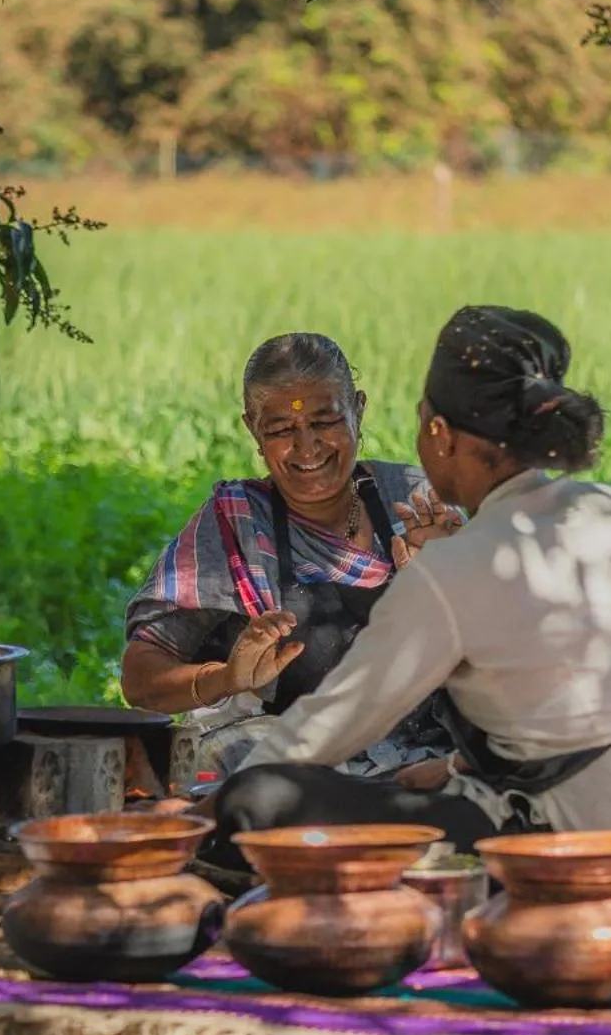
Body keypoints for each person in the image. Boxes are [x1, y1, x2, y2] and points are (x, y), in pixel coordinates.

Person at [211, 305, 611, 916]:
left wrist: (211, 809)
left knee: (263, 795)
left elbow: (328, 727)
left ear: (440, 433)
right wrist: (458, 766)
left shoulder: (455, 569)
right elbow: (582, 713)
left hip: (579, 866)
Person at [121, 331, 456, 777]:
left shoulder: (416, 501)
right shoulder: (235, 527)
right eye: (281, 429)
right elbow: (140, 680)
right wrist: (226, 678)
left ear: (358, 409)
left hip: (422, 764)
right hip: (288, 767)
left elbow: (509, 659)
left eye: (325, 421)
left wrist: (452, 582)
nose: (307, 446)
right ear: (253, 430)